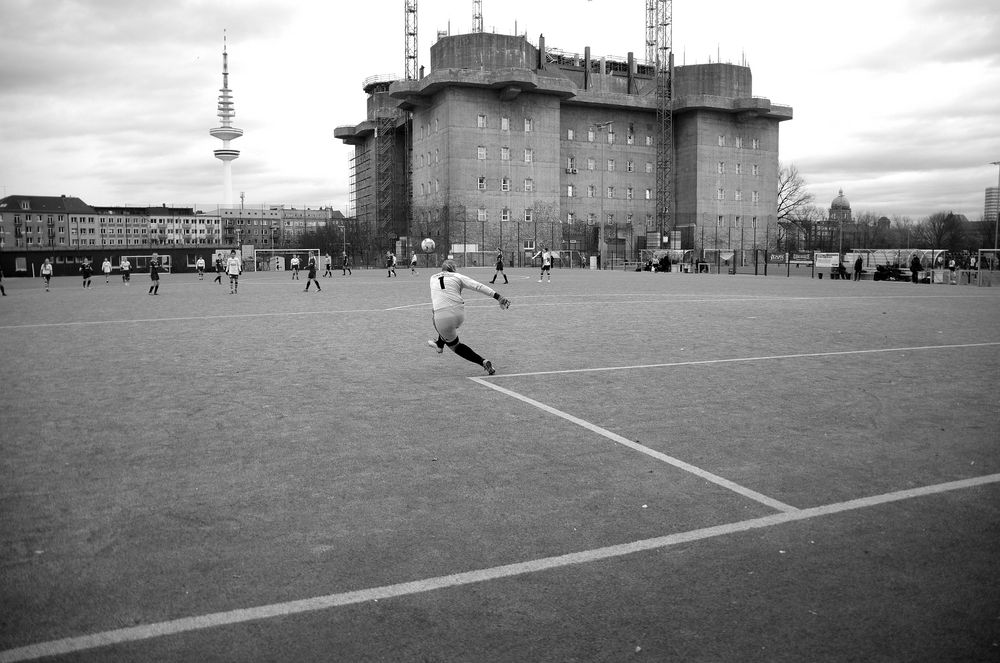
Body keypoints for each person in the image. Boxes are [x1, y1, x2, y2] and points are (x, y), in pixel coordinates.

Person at [427, 259, 510, 376]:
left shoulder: (432, 278)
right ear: (453, 269)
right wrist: (498, 297)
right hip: (459, 314)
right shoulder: (457, 276)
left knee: (455, 345)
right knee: (443, 323)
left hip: (442, 318)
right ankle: (440, 344)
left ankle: (481, 361)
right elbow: (478, 286)